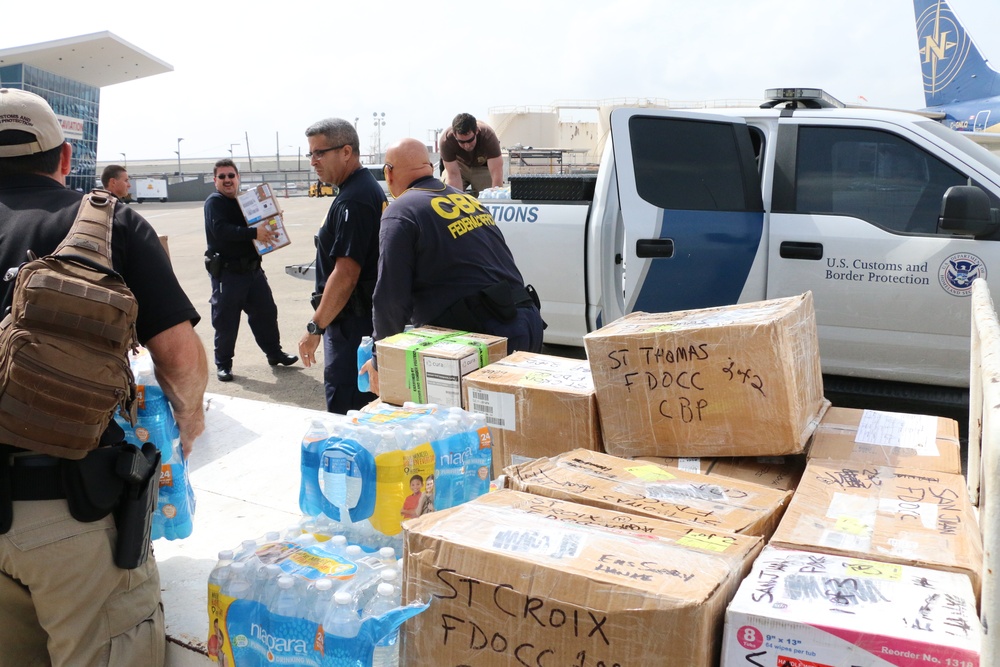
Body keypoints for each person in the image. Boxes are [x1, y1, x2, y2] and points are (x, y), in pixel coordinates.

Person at [0, 88, 208, 667]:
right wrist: (187, 424)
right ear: (65, 157)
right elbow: (179, 357)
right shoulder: (106, 222)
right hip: (70, 508)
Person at [364, 138, 543, 393]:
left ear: (388, 173)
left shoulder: (401, 212)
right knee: (512, 425)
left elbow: (390, 299)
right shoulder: (466, 199)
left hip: (480, 336)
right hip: (525, 319)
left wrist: (380, 360)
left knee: (468, 426)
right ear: (430, 166)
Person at [298, 118, 385, 414]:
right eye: (310, 154)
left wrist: (315, 327)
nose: (313, 161)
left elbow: (346, 273)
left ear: (346, 151)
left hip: (351, 327)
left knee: (347, 412)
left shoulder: (355, 200)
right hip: (353, 323)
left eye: (319, 153)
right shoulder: (355, 191)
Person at [204, 158, 297, 382]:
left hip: (253, 271)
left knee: (266, 313)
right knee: (226, 321)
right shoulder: (214, 202)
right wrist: (255, 233)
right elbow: (222, 230)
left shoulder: (246, 201)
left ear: (238, 178)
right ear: (215, 181)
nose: (227, 180)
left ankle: (274, 353)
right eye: (222, 176)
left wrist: (273, 220)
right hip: (228, 274)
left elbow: (260, 223)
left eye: (231, 175)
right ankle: (223, 365)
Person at [439, 113, 503, 197]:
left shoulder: (488, 135)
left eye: (470, 140)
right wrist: (455, 200)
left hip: (483, 168)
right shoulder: (446, 140)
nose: (467, 145)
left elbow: (496, 172)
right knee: (447, 193)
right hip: (459, 167)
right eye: (461, 142)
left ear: (476, 131)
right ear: (454, 135)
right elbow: (453, 174)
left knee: (489, 197)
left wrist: (495, 198)